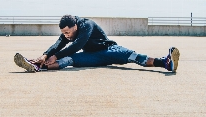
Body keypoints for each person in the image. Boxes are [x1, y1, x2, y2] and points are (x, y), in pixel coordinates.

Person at [14, 15, 180, 73]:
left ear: (75, 26)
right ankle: (37, 66)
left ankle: (165, 62)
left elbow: (77, 45)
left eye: (68, 32)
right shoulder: (68, 31)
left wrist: (55, 55)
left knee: (133, 56)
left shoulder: (87, 25)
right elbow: (60, 43)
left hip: (109, 50)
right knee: (70, 60)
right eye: (64, 33)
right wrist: (45, 55)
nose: (66, 35)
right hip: (91, 57)